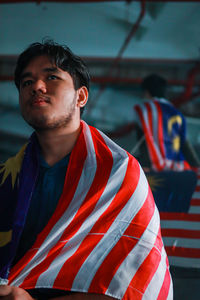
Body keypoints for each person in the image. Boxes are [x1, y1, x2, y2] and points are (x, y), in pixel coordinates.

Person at [0, 41, 173, 300]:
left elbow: (136, 285)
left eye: (51, 76)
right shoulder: (7, 177)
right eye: (27, 82)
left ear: (81, 96)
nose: (36, 86)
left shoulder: (119, 174)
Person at [134, 74, 199, 171]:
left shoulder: (145, 109)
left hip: (155, 165)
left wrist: (145, 164)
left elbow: (143, 140)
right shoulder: (177, 113)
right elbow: (184, 143)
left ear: (146, 91)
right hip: (178, 167)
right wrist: (196, 165)